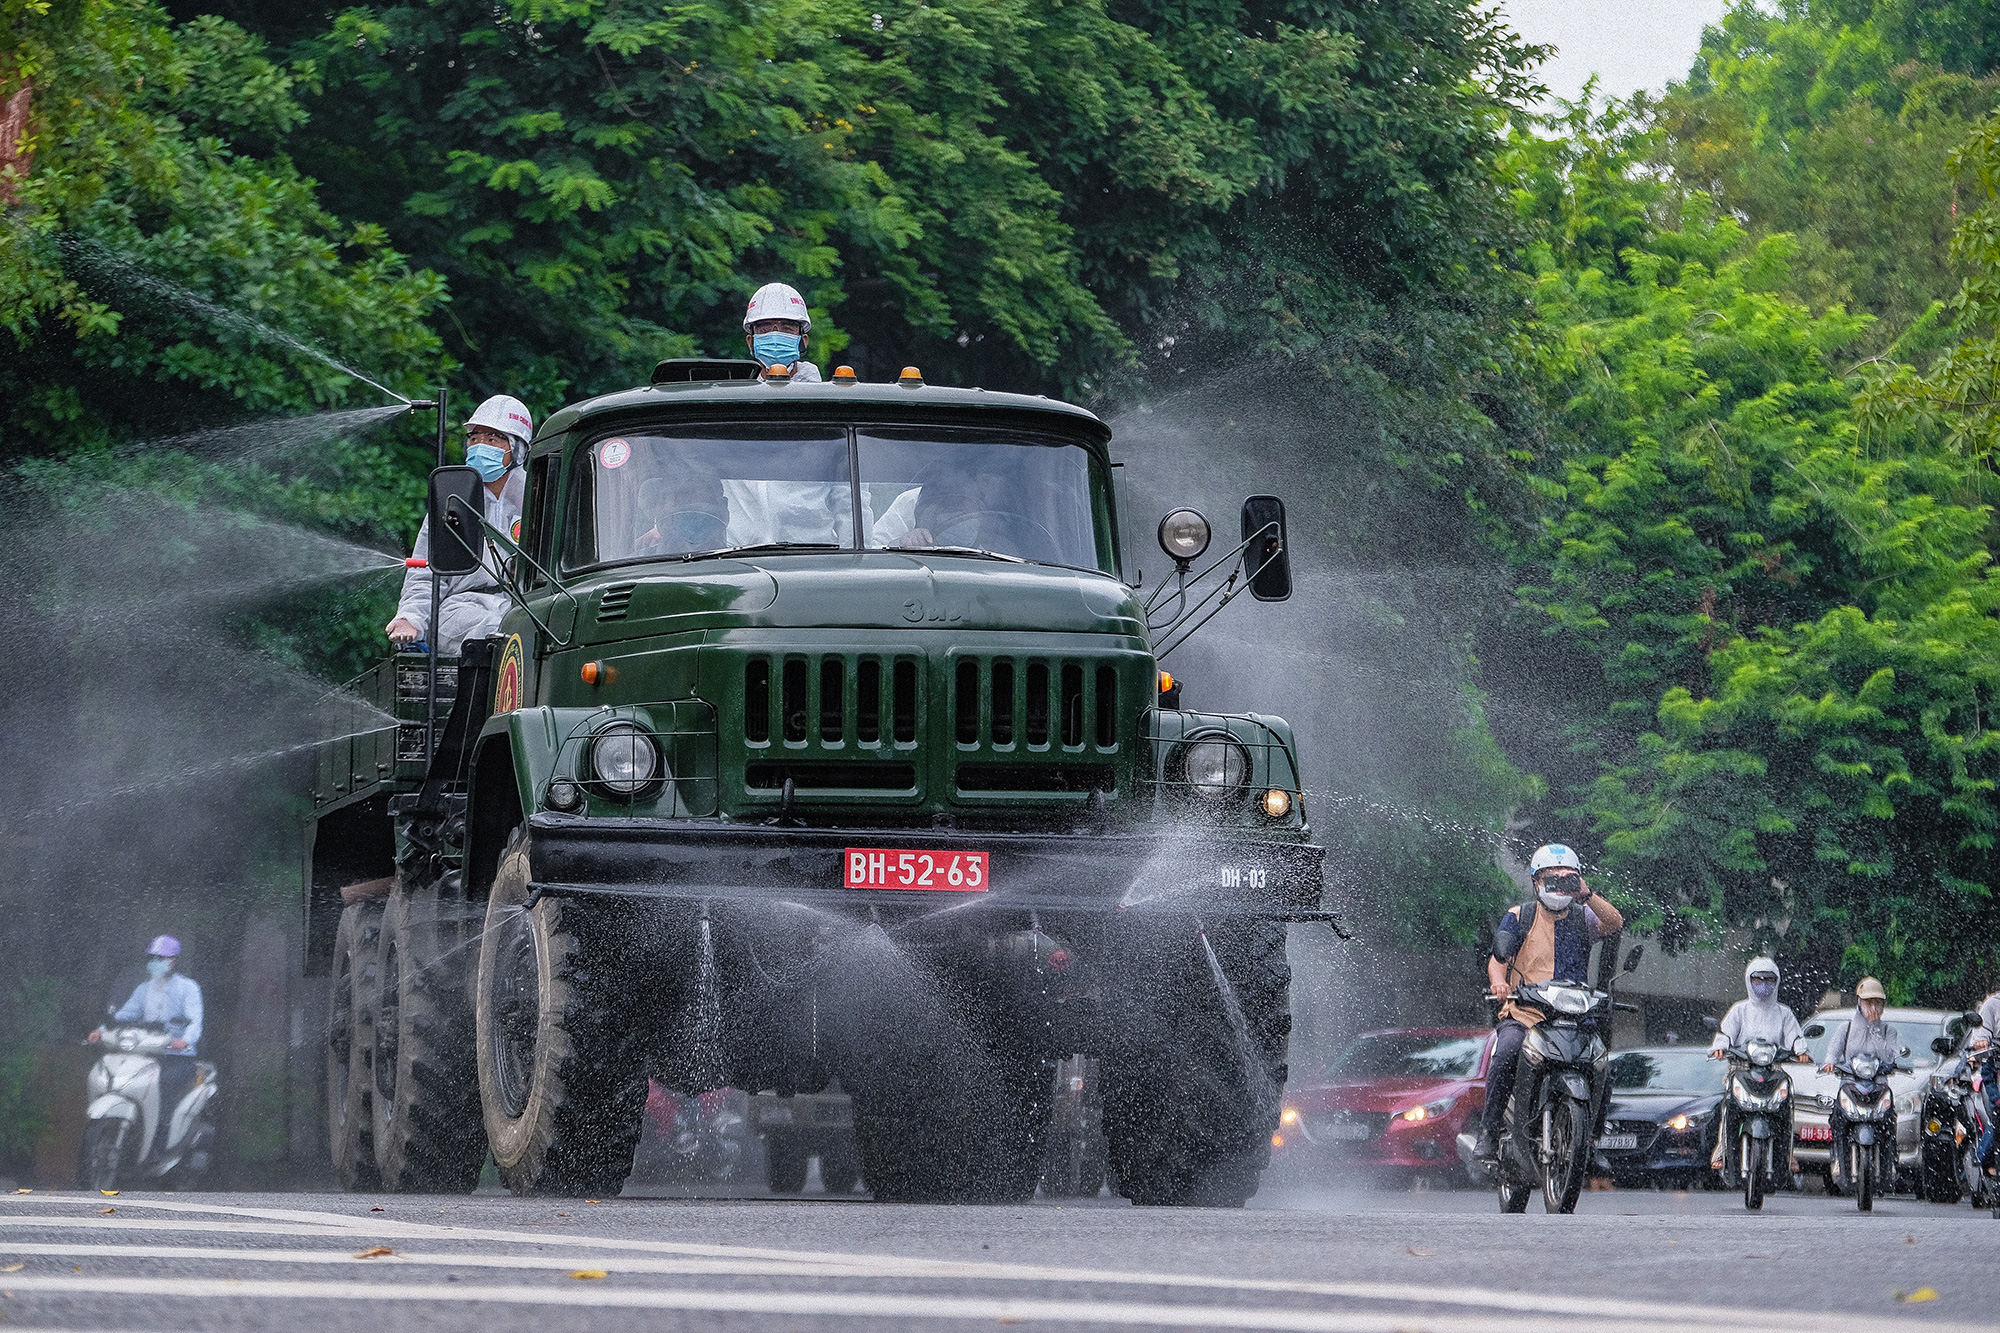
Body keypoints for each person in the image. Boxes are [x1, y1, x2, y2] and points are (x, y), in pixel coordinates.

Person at [1472, 843, 1624, 1161]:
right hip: (1525, 1013)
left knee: (1601, 1065)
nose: (1557, 886)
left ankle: (1591, 1141)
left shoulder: (1584, 917)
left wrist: (1586, 894)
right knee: (1508, 1051)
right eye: (1550, 879)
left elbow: (1614, 923)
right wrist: (1498, 982)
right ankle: (1487, 1133)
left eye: (1566, 879)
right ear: (1535, 881)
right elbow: (1498, 958)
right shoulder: (1520, 916)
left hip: (1573, 1017)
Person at [385, 395, 533, 654]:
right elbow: (426, 570)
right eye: (474, 438)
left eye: (492, 439)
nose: (479, 446)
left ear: (517, 449)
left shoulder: (540, 495)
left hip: (526, 605)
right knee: (491, 629)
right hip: (462, 607)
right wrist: (410, 617)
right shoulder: (452, 498)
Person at [89, 936, 203, 1155]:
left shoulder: (188, 988)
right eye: (152, 957)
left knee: (164, 1085)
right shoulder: (144, 989)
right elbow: (124, 1015)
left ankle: (161, 1144)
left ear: (173, 960)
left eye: (161, 957)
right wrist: (102, 1030)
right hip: (147, 1054)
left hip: (177, 1057)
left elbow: (195, 1021)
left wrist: (185, 1040)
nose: (156, 962)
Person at [1707, 957, 1810, 1175]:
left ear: (1777, 981)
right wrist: (1720, 1047)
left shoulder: (1784, 1013)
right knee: (1729, 1107)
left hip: (1773, 1070)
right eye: (1758, 979)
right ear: (1748, 980)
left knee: (1786, 1107)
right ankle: (1723, 1150)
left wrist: (1801, 1051)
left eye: (1769, 979)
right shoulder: (1739, 1010)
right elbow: (1726, 1033)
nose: (1763, 984)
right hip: (1741, 1068)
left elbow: (1796, 1036)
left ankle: (1787, 1151)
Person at [1820, 976, 1900, 1187]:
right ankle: (1838, 1157)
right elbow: (1833, 1052)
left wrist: (1874, 1029)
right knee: (1838, 1119)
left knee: (1888, 1121)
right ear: (1858, 1002)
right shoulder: (1845, 1028)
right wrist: (1829, 1063)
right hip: (1850, 1084)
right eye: (1868, 1002)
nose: (1873, 1007)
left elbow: (1888, 1057)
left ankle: (1889, 1162)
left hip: (1879, 1085)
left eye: (1877, 1002)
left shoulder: (1888, 1030)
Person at [742, 282, 822, 382]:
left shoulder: (811, 381)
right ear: (750, 341)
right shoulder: (741, 382)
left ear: (804, 340)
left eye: (787, 329)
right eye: (764, 329)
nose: (775, 335)